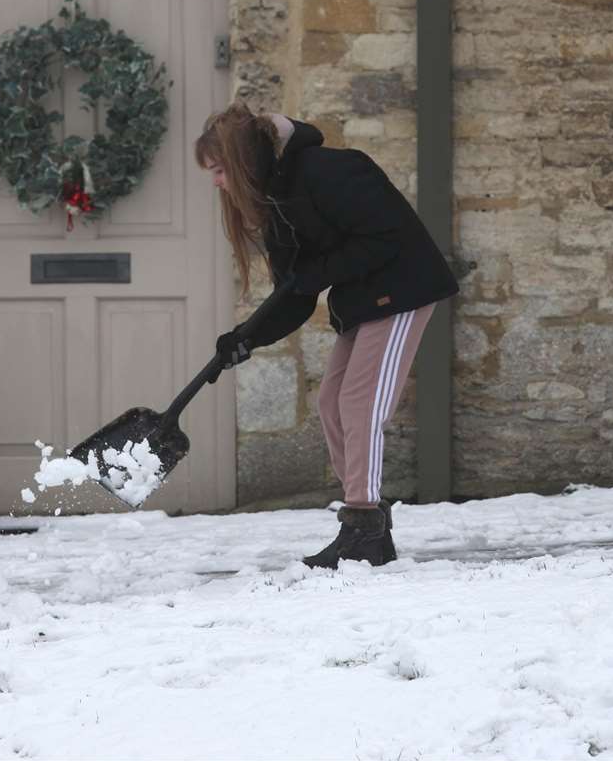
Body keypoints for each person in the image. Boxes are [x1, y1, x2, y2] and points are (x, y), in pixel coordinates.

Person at [195, 102, 459, 569]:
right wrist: (246, 338)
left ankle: (363, 525)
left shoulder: (331, 170)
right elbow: (294, 294)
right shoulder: (274, 202)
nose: (216, 182)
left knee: (361, 404)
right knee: (331, 402)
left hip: (404, 287)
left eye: (218, 170)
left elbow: (387, 238)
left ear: (239, 161)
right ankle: (367, 519)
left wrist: (315, 274)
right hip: (363, 301)